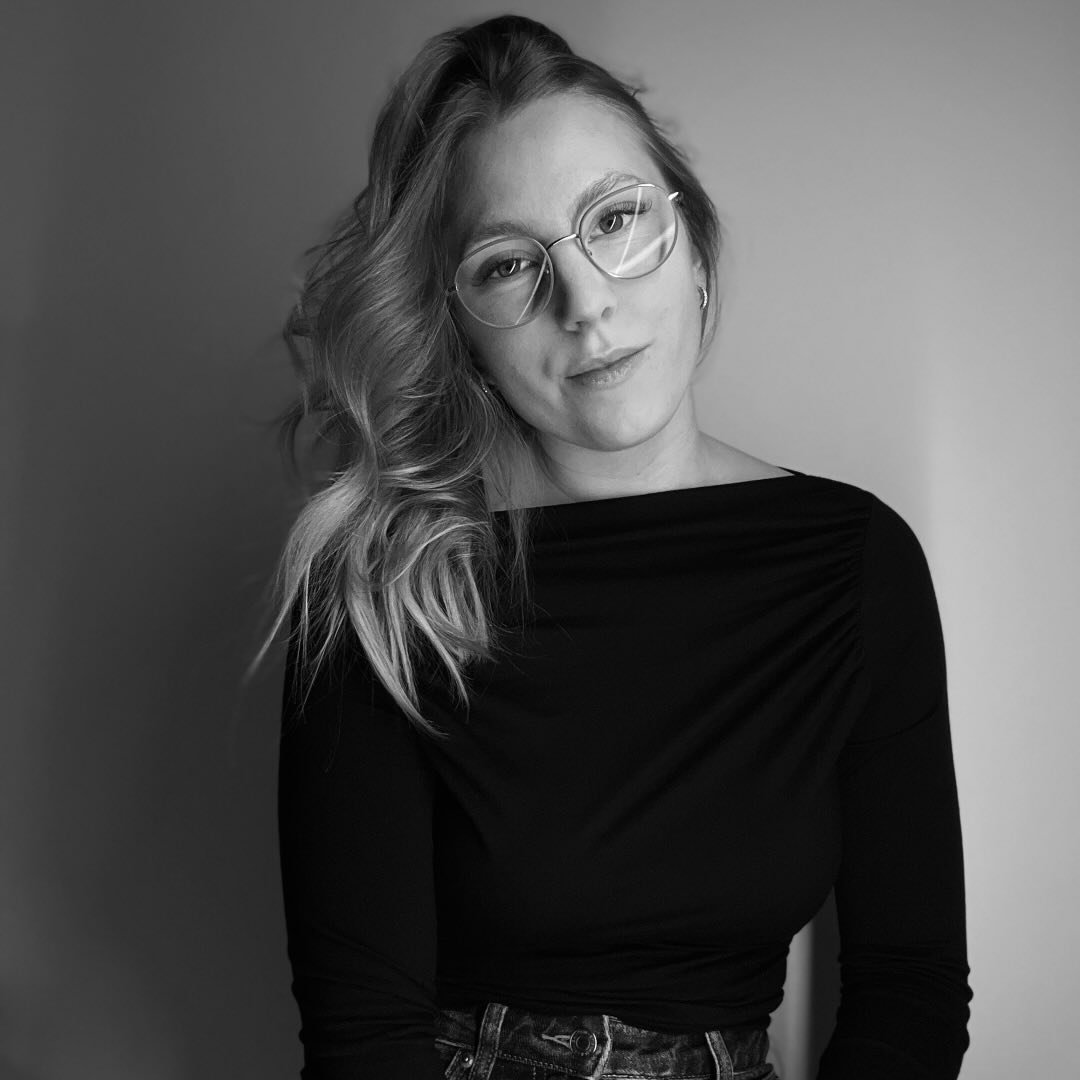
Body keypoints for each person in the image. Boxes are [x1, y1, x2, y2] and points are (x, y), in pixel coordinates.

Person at [265, 14, 971, 1080]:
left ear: (692, 241)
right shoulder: (378, 587)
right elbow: (364, 1040)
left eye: (617, 217)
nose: (587, 303)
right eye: (508, 263)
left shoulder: (855, 566)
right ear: (459, 328)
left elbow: (910, 990)